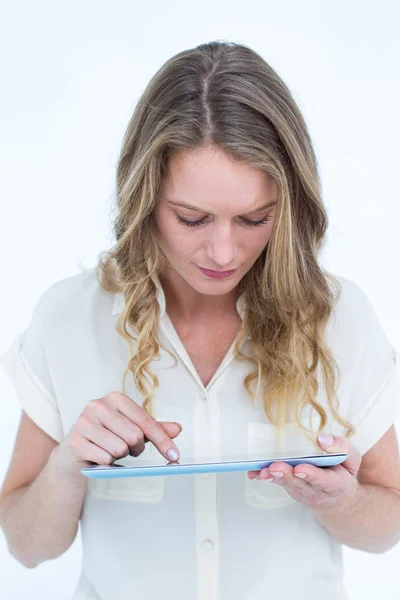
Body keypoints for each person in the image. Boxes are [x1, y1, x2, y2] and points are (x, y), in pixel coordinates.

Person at [0, 40, 400, 600]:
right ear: (145, 197)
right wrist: (69, 465)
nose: (223, 252)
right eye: (192, 219)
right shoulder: (69, 317)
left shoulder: (339, 318)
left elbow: (388, 525)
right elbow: (25, 545)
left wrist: (344, 502)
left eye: (254, 219)